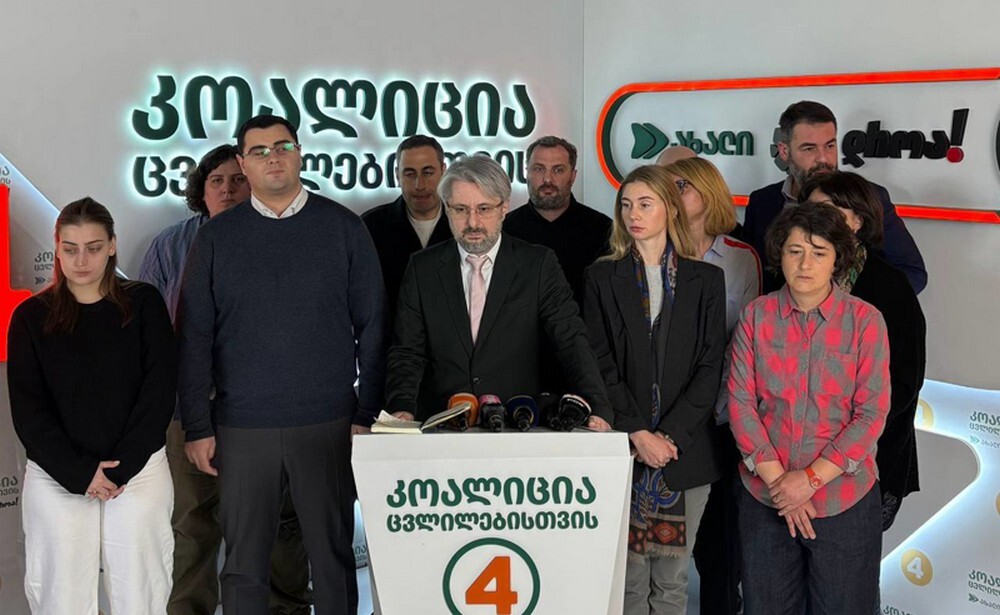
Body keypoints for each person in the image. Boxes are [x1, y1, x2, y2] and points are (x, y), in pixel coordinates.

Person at [178, 114, 387, 615]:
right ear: (243, 164)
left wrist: (366, 413)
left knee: (333, 559)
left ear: (299, 153)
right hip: (241, 426)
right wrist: (197, 425)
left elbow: (375, 326)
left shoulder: (344, 228)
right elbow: (195, 335)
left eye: (282, 146)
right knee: (244, 565)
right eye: (259, 151)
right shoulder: (216, 237)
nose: (272, 157)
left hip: (328, 423)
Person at [138, 144, 310, 615]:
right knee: (193, 525)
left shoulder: (282, 239)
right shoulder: (169, 246)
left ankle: (286, 608)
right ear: (202, 190)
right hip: (189, 412)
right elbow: (148, 334)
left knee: (279, 522)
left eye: (238, 180)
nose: (229, 190)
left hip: (266, 413)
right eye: (217, 181)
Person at [8, 197, 177, 614]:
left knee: (141, 592)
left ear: (112, 245)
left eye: (94, 247)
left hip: (139, 471)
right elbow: (29, 411)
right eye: (70, 249)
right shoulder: (31, 316)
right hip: (56, 473)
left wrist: (120, 469)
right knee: (60, 596)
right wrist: (80, 473)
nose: (81, 260)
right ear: (57, 248)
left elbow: (159, 392)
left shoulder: (144, 304)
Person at [728, 203, 890, 615]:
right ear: (779, 254)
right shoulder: (756, 317)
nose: (805, 264)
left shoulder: (865, 321)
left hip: (843, 500)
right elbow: (741, 404)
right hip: (766, 497)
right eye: (795, 251)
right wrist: (784, 485)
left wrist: (810, 481)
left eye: (819, 253)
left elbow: (870, 415)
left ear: (837, 259)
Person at [583, 165, 727, 615]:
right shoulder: (601, 278)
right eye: (626, 205)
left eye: (645, 204)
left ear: (670, 209)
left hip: (687, 453)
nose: (633, 214)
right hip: (623, 449)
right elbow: (598, 363)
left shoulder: (706, 280)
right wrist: (638, 433)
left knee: (671, 582)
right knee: (626, 581)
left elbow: (710, 367)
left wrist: (668, 436)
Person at [385, 154, 611, 429]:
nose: (473, 223)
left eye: (484, 209)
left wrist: (598, 405)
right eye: (460, 209)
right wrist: (401, 408)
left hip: (516, 424)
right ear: (447, 208)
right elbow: (407, 351)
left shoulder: (537, 264)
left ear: (504, 207)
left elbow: (571, 340)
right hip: (441, 424)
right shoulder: (423, 267)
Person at [798, 171, 925, 531]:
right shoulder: (789, 277)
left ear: (858, 221)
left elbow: (905, 379)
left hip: (870, 458)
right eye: (810, 210)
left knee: (852, 560)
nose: (816, 220)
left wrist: (846, 442)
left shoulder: (890, 286)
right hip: (795, 459)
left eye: (829, 210)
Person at [663, 157, 759, 615]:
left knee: (720, 552)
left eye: (681, 185)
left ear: (708, 190)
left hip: (720, 420)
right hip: (664, 422)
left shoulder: (741, 257)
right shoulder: (654, 250)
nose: (673, 194)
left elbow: (748, 344)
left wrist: (719, 408)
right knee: (663, 553)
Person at [743, 100, 927, 294]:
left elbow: (913, 273)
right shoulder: (761, 202)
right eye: (809, 148)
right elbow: (751, 273)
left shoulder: (869, 197)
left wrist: (854, 308)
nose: (823, 158)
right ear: (784, 151)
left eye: (829, 146)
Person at [504, 135, 612, 306]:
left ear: (573, 176)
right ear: (527, 173)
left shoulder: (603, 230)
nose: (547, 179)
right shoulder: (504, 230)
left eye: (558, 170)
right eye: (538, 169)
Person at [363, 135, 452, 319]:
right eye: (410, 174)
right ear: (397, 175)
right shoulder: (370, 227)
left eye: (428, 173)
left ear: (443, 171)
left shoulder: (464, 225)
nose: (419, 185)